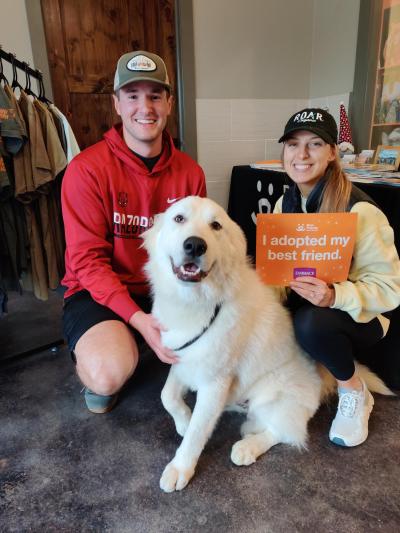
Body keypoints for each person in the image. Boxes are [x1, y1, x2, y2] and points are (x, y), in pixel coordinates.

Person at [61, 51, 206, 414]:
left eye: (155, 95)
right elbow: (86, 262)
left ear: (169, 103)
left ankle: (140, 339)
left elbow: (198, 250)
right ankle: (108, 345)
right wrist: (139, 319)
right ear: (117, 104)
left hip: (167, 289)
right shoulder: (86, 170)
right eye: (133, 95)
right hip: (101, 293)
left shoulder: (190, 173)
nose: (146, 107)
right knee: (107, 375)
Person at [274, 108, 400, 447]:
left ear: (332, 152)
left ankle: (353, 390)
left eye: (314, 144)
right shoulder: (282, 205)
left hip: (364, 318)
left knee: (312, 323)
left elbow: (390, 290)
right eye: (292, 145)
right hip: (308, 304)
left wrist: (335, 295)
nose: (301, 155)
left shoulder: (361, 211)